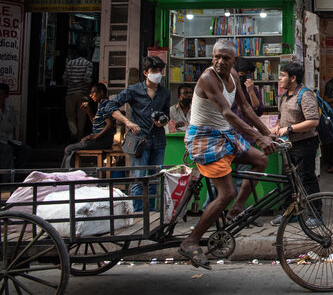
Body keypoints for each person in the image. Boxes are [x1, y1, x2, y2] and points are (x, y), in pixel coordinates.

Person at [179, 39, 276, 269]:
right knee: (226, 192)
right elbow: (228, 113)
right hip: (204, 138)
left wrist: (268, 133)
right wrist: (258, 138)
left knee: (261, 159)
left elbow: (244, 108)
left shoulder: (233, 75)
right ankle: (191, 241)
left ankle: (237, 210)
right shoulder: (207, 78)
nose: (220, 62)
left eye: (225, 58)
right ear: (212, 57)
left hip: (225, 134)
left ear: (234, 59)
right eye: (216, 57)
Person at [104, 56, 171, 211]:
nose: (157, 74)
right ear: (145, 73)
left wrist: (164, 121)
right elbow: (110, 106)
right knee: (139, 179)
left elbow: (167, 113)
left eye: (160, 71)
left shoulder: (165, 93)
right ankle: (138, 214)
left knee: (155, 179)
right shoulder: (133, 91)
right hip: (140, 140)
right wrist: (127, 122)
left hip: (158, 140)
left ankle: (153, 214)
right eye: (154, 71)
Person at [270, 61, 320, 226]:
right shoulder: (285, 96)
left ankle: (315, 215)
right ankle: (290, 214)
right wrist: (277, 127)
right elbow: (281, 118)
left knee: (307, 178)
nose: (280, 79)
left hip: (305, 144)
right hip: (288, 146)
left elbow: (313, 121)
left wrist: (289, 128)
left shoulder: (305, 95)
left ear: (293, 78)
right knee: (288, 180)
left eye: (283, 75)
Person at [61, 83, 115, 168]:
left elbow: (109, 125)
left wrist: (95, 137)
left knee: (69, 149)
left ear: (101, 93)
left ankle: (66, 173)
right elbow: (96, 124)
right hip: (99, 139)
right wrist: (88, 111)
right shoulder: (101, 105)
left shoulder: (105, 105)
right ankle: (64, 172)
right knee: (71, 149)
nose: (91, 95)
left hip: (103, 140)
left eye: (93, 93)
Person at [0, 83, 31, 180]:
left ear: (6, 95)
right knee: (6, 149)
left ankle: (17, 177)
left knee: (25, 149)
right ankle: (7, 179)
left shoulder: (10, 109)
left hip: (6, 139)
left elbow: (14, 126)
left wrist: (14, 141)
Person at [62, 47, 94, 140]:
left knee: (70, 115)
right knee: (83, 114)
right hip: (83, 95)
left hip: (70, 94)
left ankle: (74, 131)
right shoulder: (88, 64)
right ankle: (80, 135)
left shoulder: (70, 63)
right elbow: (87, 79)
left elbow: (65, 78)